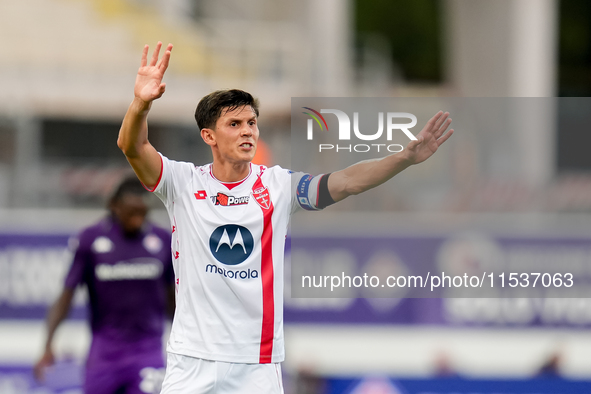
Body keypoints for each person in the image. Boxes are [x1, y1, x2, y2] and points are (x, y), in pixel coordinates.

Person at [117, 42, 454, 393]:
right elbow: (132, 147)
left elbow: (347, 182)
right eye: (235, 124)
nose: (248, 130)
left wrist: (404, 158)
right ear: (209, 136)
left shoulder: (278, 186)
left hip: (256, 366)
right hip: (192, 360)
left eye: (252, 122)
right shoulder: (182, 183)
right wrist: (141, 102)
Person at [34, 177, 175, 394]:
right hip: (104, 355)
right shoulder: (90, 241)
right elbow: (66, 297)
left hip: (147, 351)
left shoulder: (163, 240)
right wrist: (48, 344)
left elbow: (173, 302)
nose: (138, 219)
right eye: (132, 212)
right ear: (114, 206)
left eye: (143, 212)